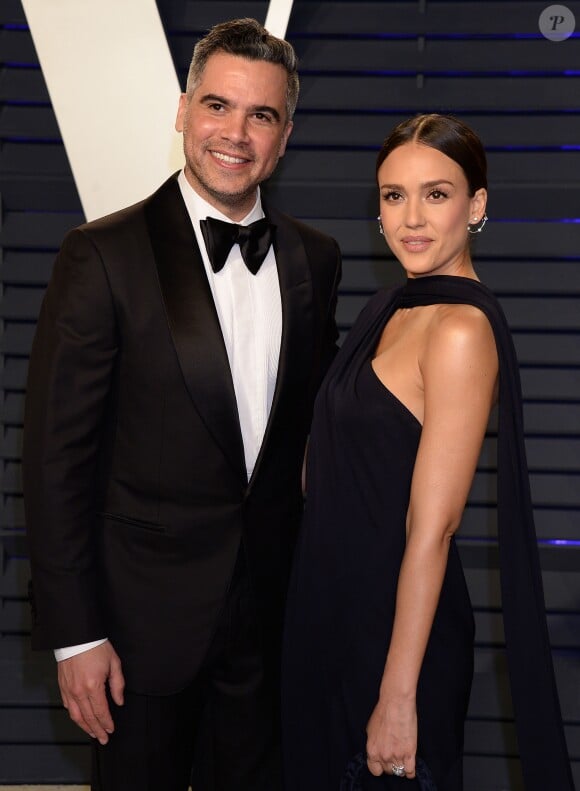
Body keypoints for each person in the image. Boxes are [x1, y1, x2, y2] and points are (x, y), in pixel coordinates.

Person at [23, 17, 341, 791]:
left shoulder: (315, 259)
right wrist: (76, 637)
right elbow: (55, 460)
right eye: (218, 106)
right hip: (137, 637)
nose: (236, 132)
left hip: (270, 632)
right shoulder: (101, 255)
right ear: (182, 110)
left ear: (286, 133)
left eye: (261, 114)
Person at [282, 114, 573, 790]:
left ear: (476, 206)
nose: (411, 217)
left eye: (436, 194)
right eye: (392, 195)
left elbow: (432, 528)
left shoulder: (461, 328)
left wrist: (398, 693)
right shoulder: (388, 308)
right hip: (329, 616)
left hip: (396, 639)